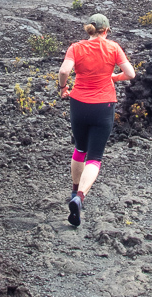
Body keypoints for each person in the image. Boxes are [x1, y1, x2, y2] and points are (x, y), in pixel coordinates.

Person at [57, 13, 136, 226]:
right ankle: (79, 197)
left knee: (80, 148)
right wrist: (114, 77)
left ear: (88, 29)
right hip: (103, 105)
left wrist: (63, 88)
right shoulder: (113, 48)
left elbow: (64, 70)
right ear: (106, 30)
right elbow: (130, 74)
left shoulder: (76, 47)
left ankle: (73, 190)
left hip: (79, 103)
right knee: (94, 157)